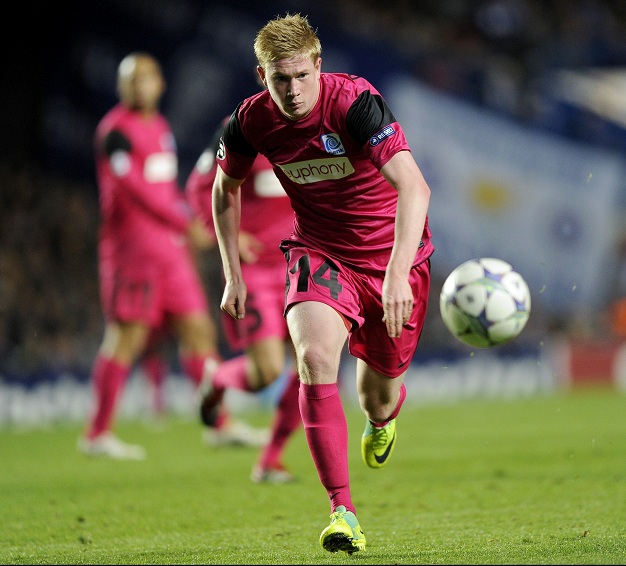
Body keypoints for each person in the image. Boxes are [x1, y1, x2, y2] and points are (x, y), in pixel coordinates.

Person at [210, 13, 434, 554]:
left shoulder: (355, 104)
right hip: (320, 252)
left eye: (300, 76)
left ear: (318, 64)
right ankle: (343, 512)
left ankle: (383, 418)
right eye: (279, 79)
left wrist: (398, 272)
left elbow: (415, 187)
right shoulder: (250, 121)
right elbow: (224, 189)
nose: (292, 90)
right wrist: (232, 273)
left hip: (392, 261)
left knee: (377, 398)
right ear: (261, 76)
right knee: (312, 358)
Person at [78, 52, 264, 461]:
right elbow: (134, 190)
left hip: (171, 252)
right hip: (133, 252)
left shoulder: (160, 127)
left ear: (160, 84)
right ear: (122, 87)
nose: (139, 86)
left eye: (146, 78)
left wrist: (189, 224)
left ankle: (219, 424)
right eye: (131, 80)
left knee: (199, 331)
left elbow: (164, 188)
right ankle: (98, 433)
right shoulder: (115, 132)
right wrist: (185, 222)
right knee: (127, 337)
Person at [187, 117, 302, 483]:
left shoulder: (319, 123)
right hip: (257, 271)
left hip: (305, 263)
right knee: (266, 372)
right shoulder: (239, 128)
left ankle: (270, 460)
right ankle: (219, 378)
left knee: (314, 365)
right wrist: (232, 239)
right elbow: (199, 186)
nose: (291, 90)